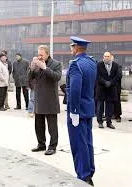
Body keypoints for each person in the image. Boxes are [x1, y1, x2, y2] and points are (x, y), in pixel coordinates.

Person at [66, 36, 97, 186]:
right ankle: (89, 171)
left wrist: (74, 111)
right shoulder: (92, 62)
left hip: (77, 110)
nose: (71, 49)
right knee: (87, 142)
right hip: (89, 107)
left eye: (72, 47)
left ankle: (83, 176)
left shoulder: (75, 65)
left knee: (78, 144)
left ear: (76, 48)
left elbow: (75, 89)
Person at [30, 45, 62, 155]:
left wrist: (44, 68)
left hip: (50, 100)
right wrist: (32, 68)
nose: (39, 57)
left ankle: (52, 146)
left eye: (41, 55)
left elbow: (57, 77)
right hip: (39, 99)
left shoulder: (56, 64)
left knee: (52, 126)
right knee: (38, 125)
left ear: (47, 54)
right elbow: (30, 79)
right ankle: (41, 144)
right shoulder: (37, 64)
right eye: (38, 54)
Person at [96, 51, 121, 129]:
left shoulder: (116, 65)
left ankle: (109, 122)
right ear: (103, 57)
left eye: (108, 56)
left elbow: (118, 75)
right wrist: (104, 82)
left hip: (111, 88)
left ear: (110, 57)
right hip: (101, 88)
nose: (106, 58)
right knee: (100, 106)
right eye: (105, 56)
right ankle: (100, 122)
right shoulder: (98, 65)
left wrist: (111, 82)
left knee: (109, 107)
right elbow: (97, 76)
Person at [112, 55, 122, 122]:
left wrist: (111, 81)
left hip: (116, 87)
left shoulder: (118, 66)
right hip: (110, 88)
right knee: (110, 102)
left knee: (117, 101)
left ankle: (118, 115)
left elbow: (119, 76)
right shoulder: (107, 67)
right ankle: (112, 114)